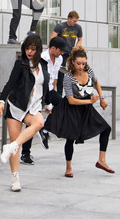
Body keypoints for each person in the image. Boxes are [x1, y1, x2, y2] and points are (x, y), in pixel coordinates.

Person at [45, 46, 114, 178]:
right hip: (72, 108)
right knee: (71, 138)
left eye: (83, 63)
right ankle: (68, 167)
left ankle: (101, 160)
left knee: (106, 129)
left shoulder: (89, 71)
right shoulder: (68, 78)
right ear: (72, 62)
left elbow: (96, 83)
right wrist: (91, 101)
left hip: (86, 108)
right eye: (78, 63)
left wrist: (102, 98)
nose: (81, 66)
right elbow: (71, 100)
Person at [0, 34, 51, 191]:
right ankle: (15, 179)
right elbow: (10, 84)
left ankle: (9, 147)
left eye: (33, 49)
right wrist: (1, 101)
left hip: (33, 107)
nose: (29, 51)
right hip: (16, 105)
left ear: (38, 49)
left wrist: (47, 103)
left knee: (39, 123)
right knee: (16, 140)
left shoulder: (43, 64)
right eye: (27, 48)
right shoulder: (20, 64)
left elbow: (45, 86)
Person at [21, 36, 66, 164]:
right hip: (37, 92)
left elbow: (55, 77)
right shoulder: (41, 59)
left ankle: (45, 129)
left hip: (49, 90)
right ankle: (25, 153)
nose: (62, 53)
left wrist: (54, 94)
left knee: (62, 103)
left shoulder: (59, 59)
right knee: (31, 123)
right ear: (53, 48)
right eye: (60, 50)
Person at [50, 10, 83, 95]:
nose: (75, 23)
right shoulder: (60, 26)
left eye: (76, 21)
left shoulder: (78, 28)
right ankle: (59, 95)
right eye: (74, 21)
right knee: (60, 76)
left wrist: (76, 47)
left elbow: (80, 39)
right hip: (61, 54)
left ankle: (74, 94)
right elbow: (52, 38)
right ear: (69, 18)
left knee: (73, 74)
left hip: (71, 54)